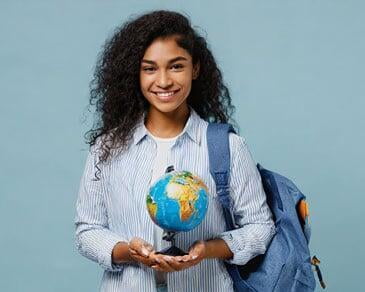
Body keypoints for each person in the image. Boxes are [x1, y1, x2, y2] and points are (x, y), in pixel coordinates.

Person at [74, 9, 276, 292]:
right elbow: (87, 230)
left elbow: (260, 228)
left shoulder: (227, 147)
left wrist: (208, 249)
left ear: (195, 68)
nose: (164, 81)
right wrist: (127, 251)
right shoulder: (106, 150)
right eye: (150, 68)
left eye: (176, 66)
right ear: (136, 73)